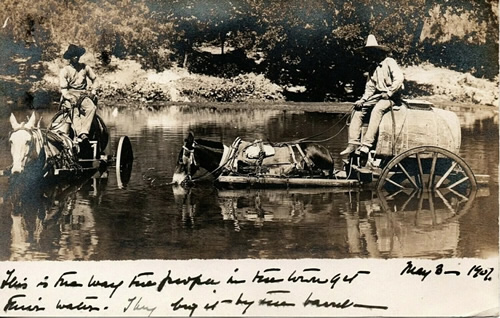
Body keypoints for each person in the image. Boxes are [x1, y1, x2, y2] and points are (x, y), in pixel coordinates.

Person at [340, 34, 404, 156]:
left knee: (377, 109)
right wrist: (362, 100)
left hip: (392, 96)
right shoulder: (372, 67)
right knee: (358, 110)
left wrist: (389, 92)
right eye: (368, 53)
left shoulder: (389, 62)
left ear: (378, 52)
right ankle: (353, 143)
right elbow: (370, 88)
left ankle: (367, 144)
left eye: (372, 52)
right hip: (379, 96)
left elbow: (399, 78)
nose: (369, 55)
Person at [59, 44, 98, 144]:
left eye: (77, 55)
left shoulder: (85, 68)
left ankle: (84, 132)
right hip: (70, 94)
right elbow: (63, 89)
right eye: (73, 55)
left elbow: (95, 79)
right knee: (74, 110)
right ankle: (80, 133)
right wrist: (69, 97)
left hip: (82, 94)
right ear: (70, 58)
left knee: (91, 107)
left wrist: (93, 91)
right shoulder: (65, 71)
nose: (76, 57)